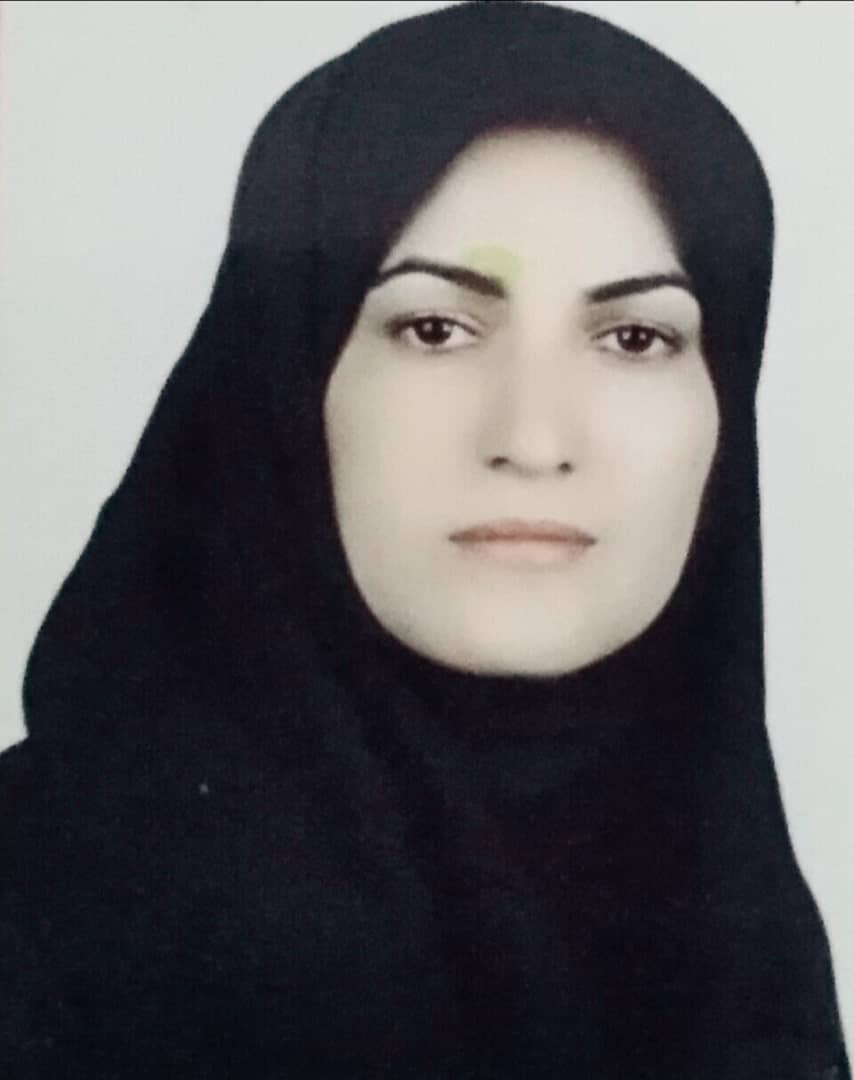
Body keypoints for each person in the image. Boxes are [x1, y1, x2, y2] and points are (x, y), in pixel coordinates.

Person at [1, 2, 849, 1076]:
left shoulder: (736, 926)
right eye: (435, 328)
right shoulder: (40, 916)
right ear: (284, 378)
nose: (533, 439)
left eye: (635, 337)